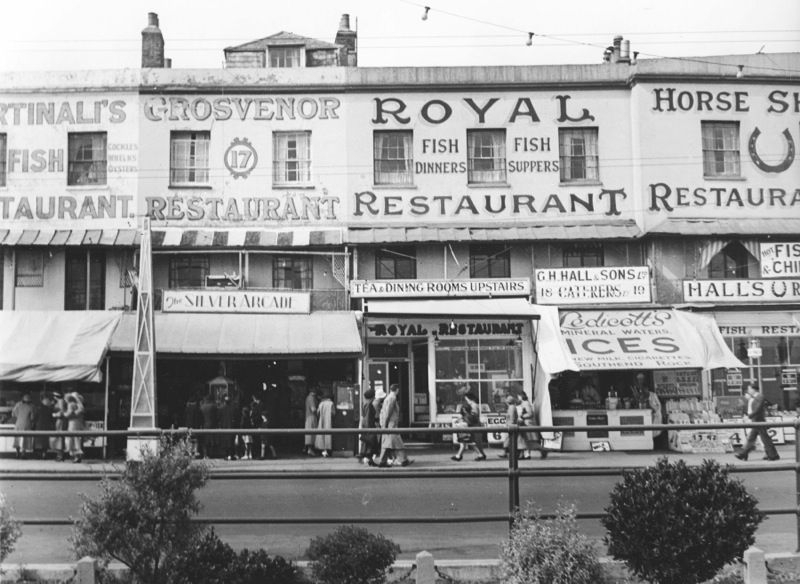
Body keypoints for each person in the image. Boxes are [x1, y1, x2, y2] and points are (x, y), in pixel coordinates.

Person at [735, 383, 780, 461]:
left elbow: (758, 408)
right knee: (760, 439)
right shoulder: (754, 397)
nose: (748, 391)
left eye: (749, 389)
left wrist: (750, 416)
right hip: (756, 421)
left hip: (759, 421)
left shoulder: (760, 396)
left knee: (761, 439)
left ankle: (743, 453)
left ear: (753, 389)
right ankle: (773, 455)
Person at [377, 384, 413, 467]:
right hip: (391, 425)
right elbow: (388, 412)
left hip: (388, 424)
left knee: (387, 444)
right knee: (398, 443)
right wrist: (386, 425)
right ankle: (403, 460)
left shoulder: (388, 398)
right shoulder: (392, 398)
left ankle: (383, 461)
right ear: (397, 390)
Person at [451, 391, 486, 461]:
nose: (466, 400)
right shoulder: (472, 405)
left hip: (474, 426)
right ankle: (481, 455)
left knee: (474, 442)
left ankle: (481, 455)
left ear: (469, 398)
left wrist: (466, 418)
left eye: (466, 398)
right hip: (473, 426)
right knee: (474, 442)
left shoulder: (474, 405)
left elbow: (474, 416)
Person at [518, 392, 547, 460]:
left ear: (521, 396)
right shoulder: (525, 403)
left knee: (529, 440)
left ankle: (542, 450)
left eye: (518, 396)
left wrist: (522, 416)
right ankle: (527, 454)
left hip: (528, 424)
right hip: (527, 423)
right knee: (527, 440)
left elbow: (530, 413)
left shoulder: (525, 403)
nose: (518, 398)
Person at [499, 394, 526, 459]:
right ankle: (509, 453)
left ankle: (507, 454)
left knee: (510, 440)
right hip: (513, 426)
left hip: (511, 426)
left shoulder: (511, 407)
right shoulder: (512, 407)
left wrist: (510, 425)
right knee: (514, 441)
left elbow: (512, 417)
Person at [12, 393, 36, 459]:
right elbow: (32, 418)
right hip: (27, 424)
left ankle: (17, 453)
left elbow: (13, 414)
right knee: (25, 440)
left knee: (17, 439)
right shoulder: (31, 407)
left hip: (18, 424)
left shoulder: (18, 405)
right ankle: (23, 454)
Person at [358, 388, 379, 465]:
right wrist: (369, 429)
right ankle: (367, 459)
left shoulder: (365, 403)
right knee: (370, 444)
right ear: (372, 397)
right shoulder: (369, 405)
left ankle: (369, 460)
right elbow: (367, 418)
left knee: (369, 445)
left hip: (366, 427)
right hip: (369, 427)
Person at [64, 392, 85, 463]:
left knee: (74, 439)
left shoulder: (73, 404)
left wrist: (64, 414)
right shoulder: (78, 404)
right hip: (77, 423)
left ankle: (76, 456)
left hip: (73, 423)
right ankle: (76, 455)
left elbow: (71, 414)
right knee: (76, 439)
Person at [34, 394, 56, 459]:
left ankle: (39, 454)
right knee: (45, 442)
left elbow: (35, 418)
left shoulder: (38, 409)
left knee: (38, 441)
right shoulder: (50, 410)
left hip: (39, 426)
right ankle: (44, 454)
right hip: (47, 426)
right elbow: (52, 419)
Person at [217, 395, 237, 460]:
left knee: (225, 441)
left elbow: (218, 418)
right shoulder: (233, 408)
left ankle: (226, 455)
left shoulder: (220, 408)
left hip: (224, 427)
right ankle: (231, 455)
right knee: (231, 441)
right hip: (231, 426)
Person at [315, 392, 334, 457]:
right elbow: (333, 413)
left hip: (321, 421)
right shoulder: (331, 403)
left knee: (321, 435)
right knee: (328, 435)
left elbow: (317, 413)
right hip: (328, 421)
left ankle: (323, 450)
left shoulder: (321, 403)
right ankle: (327, 450)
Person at [199, 394, 218, 458]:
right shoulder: (214, 406)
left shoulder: (202, 407)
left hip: (204, 425)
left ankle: (205, 454)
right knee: (211, 440)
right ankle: (211, 454)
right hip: (212, 425)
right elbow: (216, 417)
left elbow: (200, 417)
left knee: (204, 440)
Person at [52, 392, 68, 461]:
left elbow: (62, 412)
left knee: (60, 438)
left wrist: (55, 415)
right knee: (59, 438)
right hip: (59, 421)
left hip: (60, 421)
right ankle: (60, 454)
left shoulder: (60, 401)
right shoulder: (60, 401)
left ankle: (60, 455)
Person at [304, 387, 319, 456]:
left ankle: (307, 448)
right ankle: (310, 449)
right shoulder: (311, 398)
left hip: (308, 416)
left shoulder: (308, 397)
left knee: (309, 433)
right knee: (311, 433)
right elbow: (313, 409)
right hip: (311, 417)